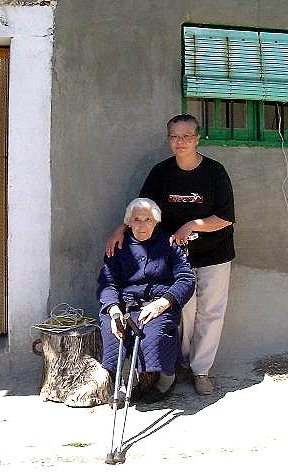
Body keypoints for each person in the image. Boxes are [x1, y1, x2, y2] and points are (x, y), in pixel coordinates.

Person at [106, 114, 235, 395]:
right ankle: (179, 364)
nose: (181, 142)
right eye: (175, 137)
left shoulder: (215, 172)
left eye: (187, 136)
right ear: (168, 140)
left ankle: (201, 371)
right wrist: (120, 229)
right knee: (182, 312)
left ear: (198, 138)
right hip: (174, 258)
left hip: (215, 253)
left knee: (211, 312)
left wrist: (191, 225)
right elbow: (142, 209)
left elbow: (226, 217)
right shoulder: (161, 173)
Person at [97, 198, 195, 403]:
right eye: (137, 220)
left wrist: (163, 303)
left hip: (158, 303)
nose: (142, 225)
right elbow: (107, 282)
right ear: (128, 222)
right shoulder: (119, 245)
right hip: (124, 304)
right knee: (113, 330)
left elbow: (186, 278)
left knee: (153, 334)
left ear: (156, 221)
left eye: (148, 219)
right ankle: (120, 381)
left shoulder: (169, 243)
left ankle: (167, 377)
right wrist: (114, 310)